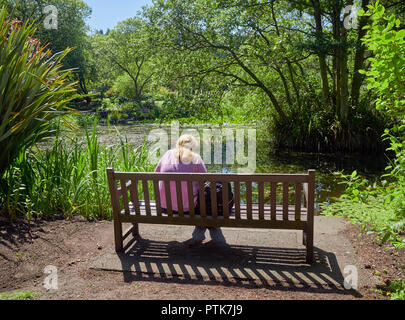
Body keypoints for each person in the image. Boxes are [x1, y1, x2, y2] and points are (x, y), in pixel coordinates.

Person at [155, 134, 226, 245]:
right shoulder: (195, 157)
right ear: (192, 146)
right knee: (208, 204)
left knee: (204, 203)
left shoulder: (167, 154)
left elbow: (156, 174)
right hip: (188, 208)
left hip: (165, 207)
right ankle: (210, 231)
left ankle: (199, 235)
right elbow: (206, 180)